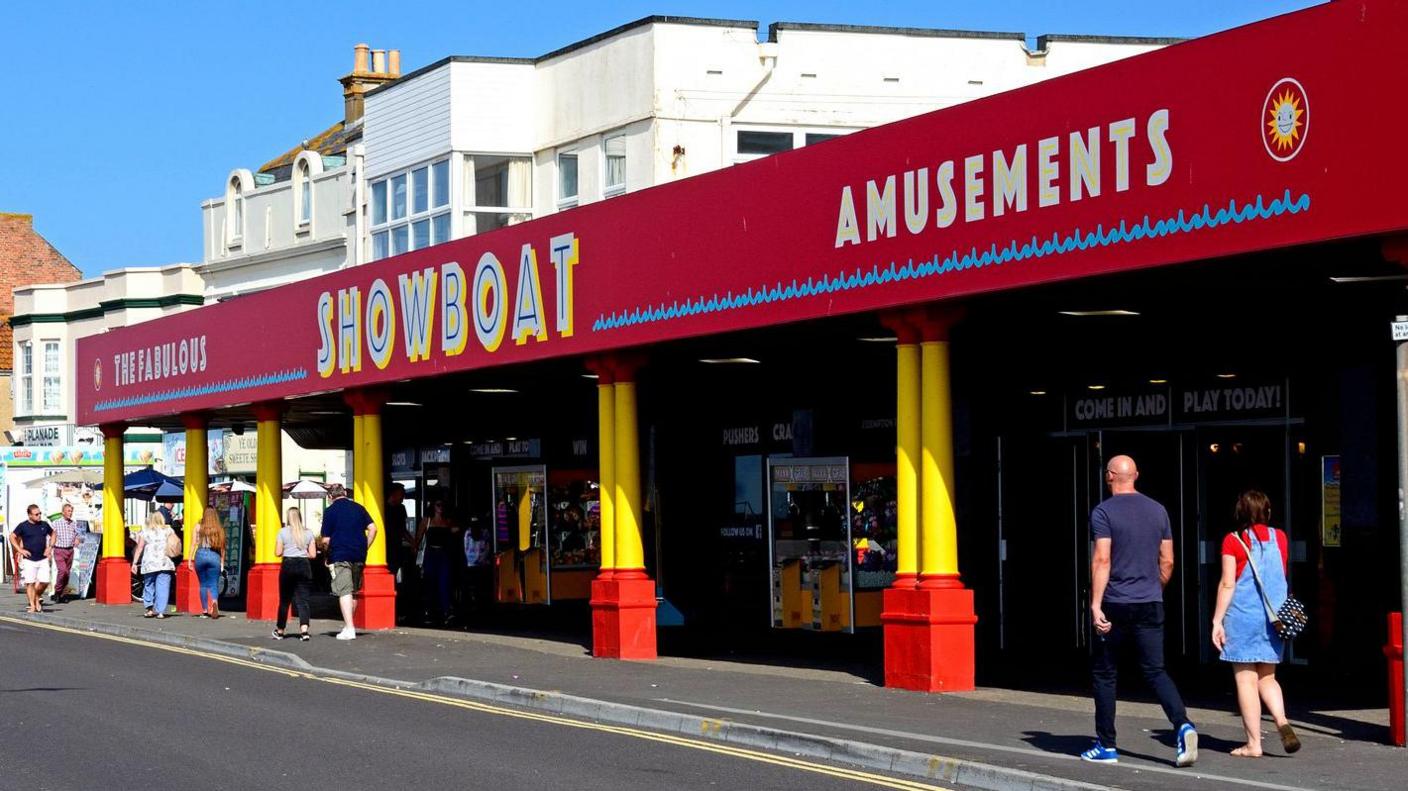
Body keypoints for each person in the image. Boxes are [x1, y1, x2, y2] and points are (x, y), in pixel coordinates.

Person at [1081, 455, 1197, 767]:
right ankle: (1182, 724)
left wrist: (1094, 605)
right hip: (1150, 602)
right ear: (1136, 475)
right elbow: (1168, 561)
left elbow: (1102, 559)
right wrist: (1153, 588)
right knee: (1155, 670)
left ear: (1109, 476)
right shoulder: (1158, 510)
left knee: (1105, 673)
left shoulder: (1103, 512)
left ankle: (1106, 745)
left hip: (1116, 603)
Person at [1211, 490, 1301, 757]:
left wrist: (1217, 620)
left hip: (1242, 617)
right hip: (1274, 620)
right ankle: (1282, 720)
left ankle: (1254, 744)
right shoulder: (1280, 538)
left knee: (1246, 681)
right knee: (1268, 677)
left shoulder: (1233, 541)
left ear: (1240, 512)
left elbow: (1228, 583)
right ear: (1268, 511)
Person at [318, 484, 376, 640]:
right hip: (359, 554)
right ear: (344, 493)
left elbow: (326, 539)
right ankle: (349, 625)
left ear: (330, 497)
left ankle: (350, 628)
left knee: (344, 590)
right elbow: (373, 528)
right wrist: (365, 545)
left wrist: (326, 554)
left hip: (340, 554)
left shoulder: (330, 511)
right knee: (354, 591)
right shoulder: (359, 508)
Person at [273, 507, 317, 641]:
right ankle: (304, 631)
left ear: (288, 517)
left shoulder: (282, 532)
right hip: (304, 565)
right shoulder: (308, 533)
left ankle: (280, 630)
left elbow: (278, 553)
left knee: (285, 600)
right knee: (303, 601)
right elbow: (313, 555)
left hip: (288, 565)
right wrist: (303, 553)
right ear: (300, 517)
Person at [414, 500, 459, 624]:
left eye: (443, 505)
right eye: (438, 505)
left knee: (444, 583)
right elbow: (418, 538)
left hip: (444, 554)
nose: (441, 508)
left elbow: (454, 535)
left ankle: (445, 611)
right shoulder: (427, 520)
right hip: (431, 554)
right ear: (433, 506)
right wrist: (415, 550)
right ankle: (429, 611)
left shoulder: (448, 521)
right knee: (430, 582)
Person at [9, 504, 54, 613]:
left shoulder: (44, 524)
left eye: (40, 513)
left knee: (45, 581)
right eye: (36, 514)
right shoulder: (23, 526)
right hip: (29, 559)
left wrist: (50, 547)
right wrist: (20, 550)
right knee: (30, 583)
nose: (39, 516)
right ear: (30, 515)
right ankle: (33, 605)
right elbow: (12, 536)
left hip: (42, 558)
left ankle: (37, 596)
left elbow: (53, 533)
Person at [132, 512, 177, 618]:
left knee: (148, 585)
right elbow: (174, 544)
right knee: (163, 587)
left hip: (149, 563)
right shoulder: (168, 530)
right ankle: (160, 611)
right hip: (164, 562)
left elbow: (140, 548)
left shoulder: (145, 532)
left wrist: (134, 563)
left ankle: (149, 609)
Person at [189, 509, 226, 619]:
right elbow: (223, 547)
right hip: (214, 555)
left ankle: (204, 610)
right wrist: (222, 562)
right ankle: (214, 602)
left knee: (203, 584)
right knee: (213, 583)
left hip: (200, 554)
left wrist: (190, 560)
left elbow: (193, 544)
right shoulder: (218, 528)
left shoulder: (198, 526)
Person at [49, 503, 83, 603]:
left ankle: (62, 594)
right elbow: (51, 536)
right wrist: (49, 550)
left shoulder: (73, 523)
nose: (70, 513)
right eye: (68, 511)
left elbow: (77, 534)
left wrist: (77, 539)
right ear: (63, 512)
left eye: (71, 511)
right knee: (62, 571)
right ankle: (57, 591)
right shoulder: (56, 523)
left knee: (67, 573)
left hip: (69, 550)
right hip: (59, 550)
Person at [384, 483, 409, 580]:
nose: (403, 497)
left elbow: (403, 529)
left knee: (393, 571)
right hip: (385, 546)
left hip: (396, 547)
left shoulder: (401, 508)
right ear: (393, 494)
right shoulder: (382, 507)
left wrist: (413, 542)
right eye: (401, 494)